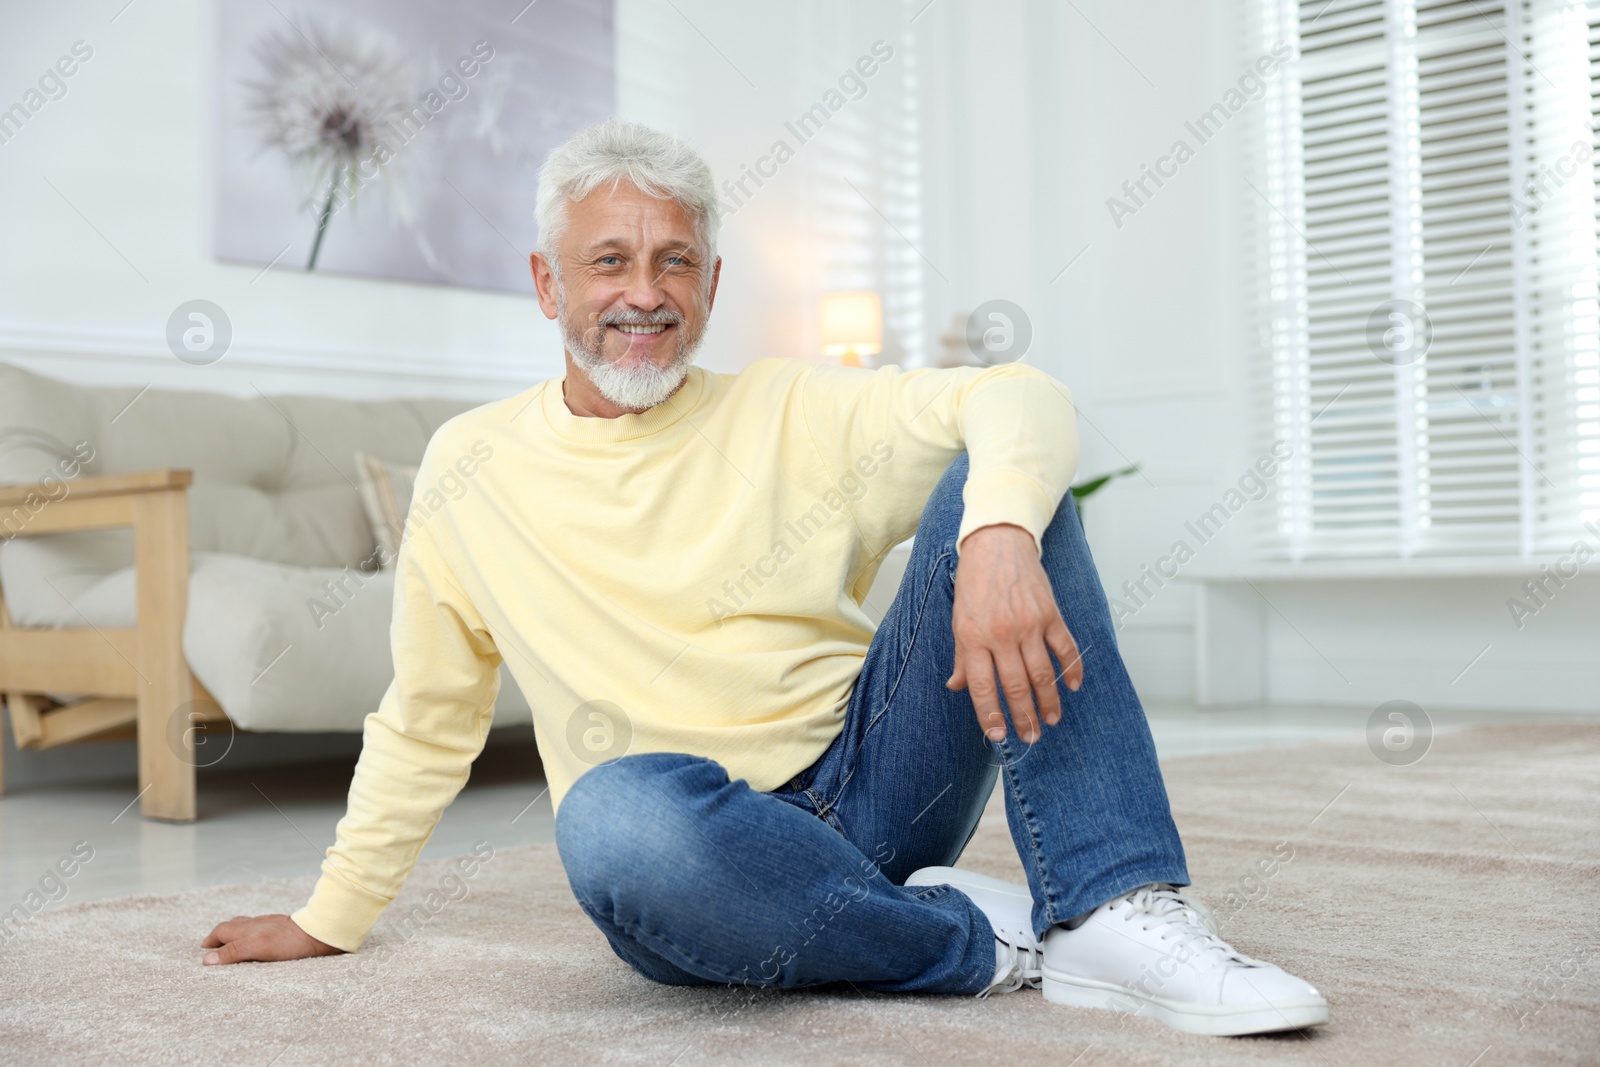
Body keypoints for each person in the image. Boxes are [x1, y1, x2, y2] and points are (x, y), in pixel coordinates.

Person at [202, 119, 1327, 1037]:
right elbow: (428, 714)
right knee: (610, 820)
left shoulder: (790, 404)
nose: (642, 293)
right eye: (608, 261)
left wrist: (993, 536)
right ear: (547, 285)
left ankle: (1118, 906)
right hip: (698, 846)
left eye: (673, 260)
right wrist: (332, 914)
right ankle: (979, 941)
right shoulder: (469, 465)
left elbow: (1018, 393)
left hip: (878, 778)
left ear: (710, 281)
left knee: (1005, 492)